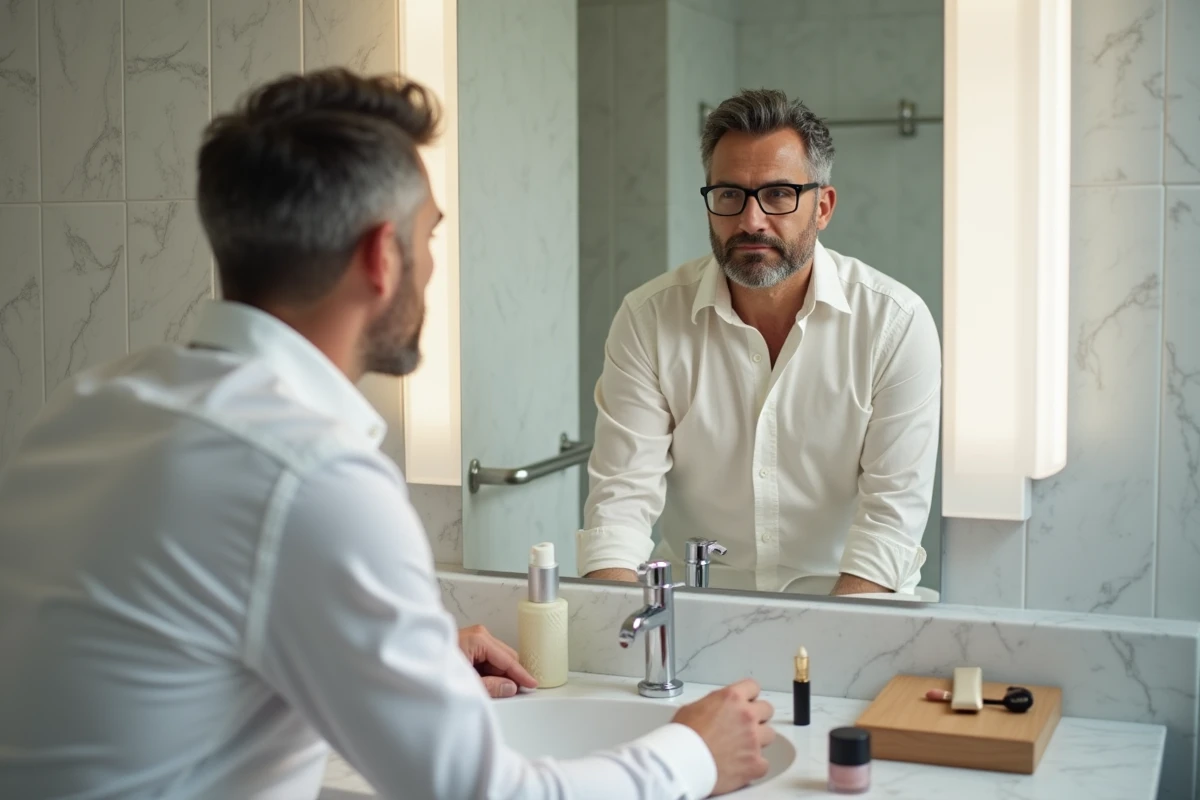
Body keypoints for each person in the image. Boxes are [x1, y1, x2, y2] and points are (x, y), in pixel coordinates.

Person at [0, 70, 774, 799]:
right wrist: (692, 753)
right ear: (381, 256)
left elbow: (173, 648)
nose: (433, 267)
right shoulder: (312, 476)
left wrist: (414, 658)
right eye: (429, 236)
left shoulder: (89, 406)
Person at [577, 89, 941, 596]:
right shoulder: (648, 320)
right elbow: (618, 513)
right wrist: (614, 631)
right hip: (696, 614)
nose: (751, 220)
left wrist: (828, 652)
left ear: (823, 207)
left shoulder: (896, 325)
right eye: (729, 194)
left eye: (778, 194)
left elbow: (888, 526)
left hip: (855, 611)